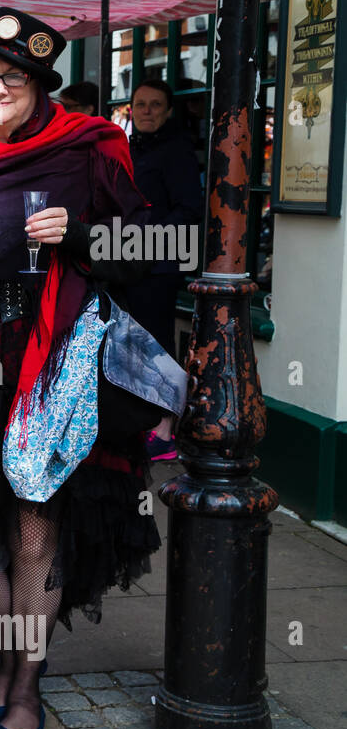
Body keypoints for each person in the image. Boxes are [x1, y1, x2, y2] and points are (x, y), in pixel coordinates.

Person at [0, 8, 160, 729]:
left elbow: (148, 249)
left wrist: (82, 236)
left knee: (33, 533)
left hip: (50, 359)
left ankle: (22, 684)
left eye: (14, 78)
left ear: (39, 87)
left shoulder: (89, 147)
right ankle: (19, 655)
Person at [127, 78, 203, 461]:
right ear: (130, 109)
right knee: (134, 345)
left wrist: (144, 238)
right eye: (140, 104)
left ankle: (165, 428)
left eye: (155, 105)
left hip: (159, 264)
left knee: (157, 346)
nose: (147, 111)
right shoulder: (131, 148)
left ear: (168, 111)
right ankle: (142, 422)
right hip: (127, 263)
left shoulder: (176, 152)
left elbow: (189, 209)